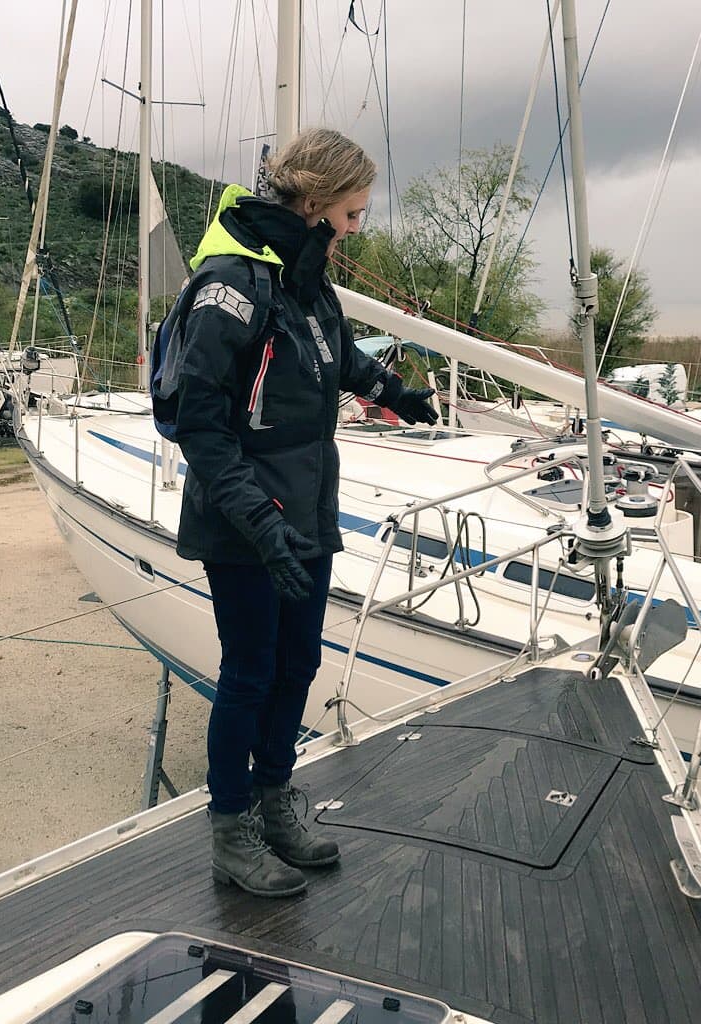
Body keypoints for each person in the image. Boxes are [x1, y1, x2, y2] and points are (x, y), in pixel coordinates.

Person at [173, 127, 438, 897]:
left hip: (307, 501)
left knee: (299, 664)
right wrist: (258, 521)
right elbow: (200, 421)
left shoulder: (304, 277)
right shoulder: (230, 284)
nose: (357, 227)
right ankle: (231, 830)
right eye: (353, 213)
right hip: (244, 514)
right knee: (250, 672)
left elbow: (331, 353)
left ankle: (273, 800)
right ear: (316, 204)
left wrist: (391, 392)